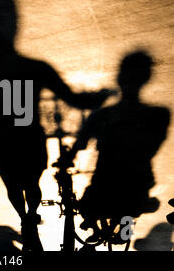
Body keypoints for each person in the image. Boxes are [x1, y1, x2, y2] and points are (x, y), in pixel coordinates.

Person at [0, 0, 114, 250]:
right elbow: (74, 99)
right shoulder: (34, 67)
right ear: (16, 24)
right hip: (28, 134)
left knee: (12, 182)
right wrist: (100, 97)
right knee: (31, 182)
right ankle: (29, 217)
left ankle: (26, 219)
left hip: (0, 136)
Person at [61, 50, 170, 241]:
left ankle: (96, 227)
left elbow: (80, 143)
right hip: (136, 184)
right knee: (129, 210)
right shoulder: (159, 115)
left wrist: (66, 160)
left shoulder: (102, 115)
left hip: (107, 182)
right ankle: (123, 230)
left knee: (87, 206)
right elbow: (151, 147)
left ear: (119, 78)